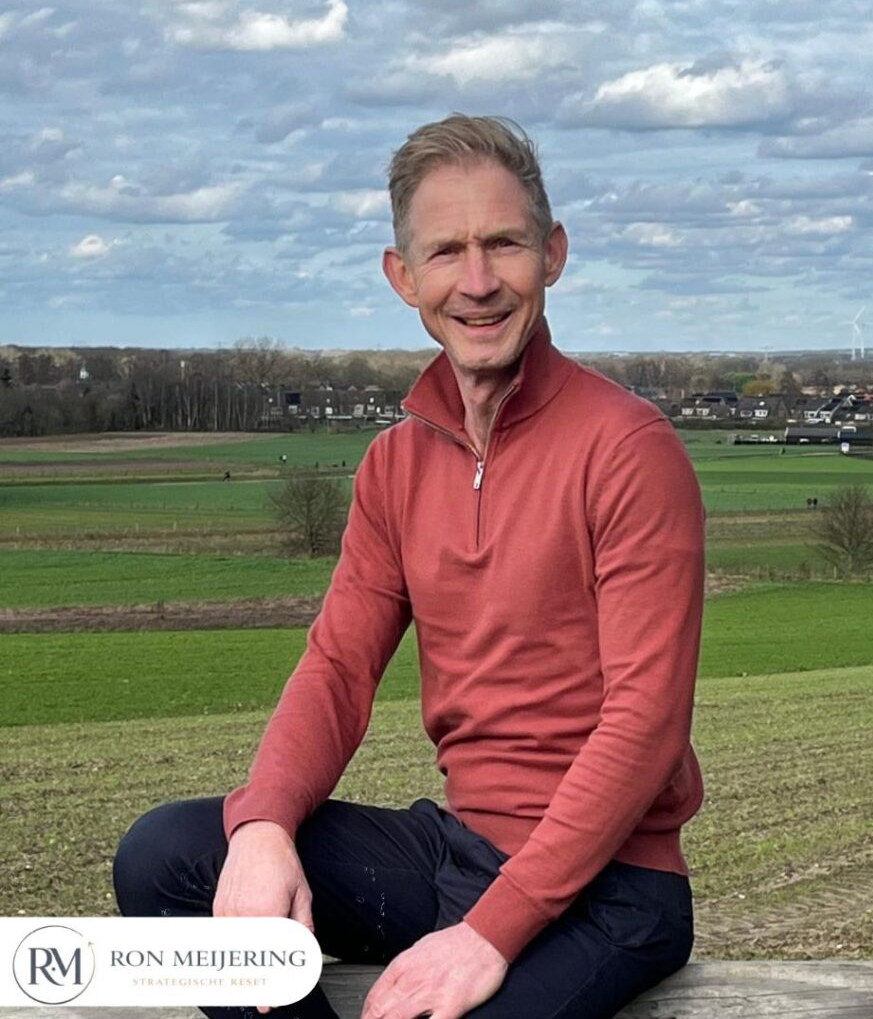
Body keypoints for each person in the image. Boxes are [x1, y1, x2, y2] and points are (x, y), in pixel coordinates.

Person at [113, 114, 705, 1019]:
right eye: (446, 252)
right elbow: (339, 668)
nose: (478, 281)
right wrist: (265, 823)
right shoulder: (395, 464)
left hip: (613, 888)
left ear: (552, 254)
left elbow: (645, 726)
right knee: (167, 857)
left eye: (503, 244)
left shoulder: (627, 448)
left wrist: (487, 935)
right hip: (457, 853)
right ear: (403, 277)